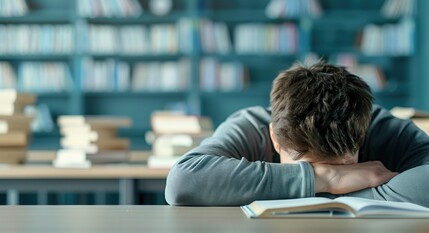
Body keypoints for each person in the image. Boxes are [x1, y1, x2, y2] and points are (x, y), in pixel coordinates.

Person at [164, 61, 429, 207]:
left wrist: (306, 186)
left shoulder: (380, 126)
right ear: (275, 139)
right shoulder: (252, 126)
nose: (329, 176)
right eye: (309, 166)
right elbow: (183, 182)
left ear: (361, 139)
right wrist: (330, 177)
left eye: (343, 168)